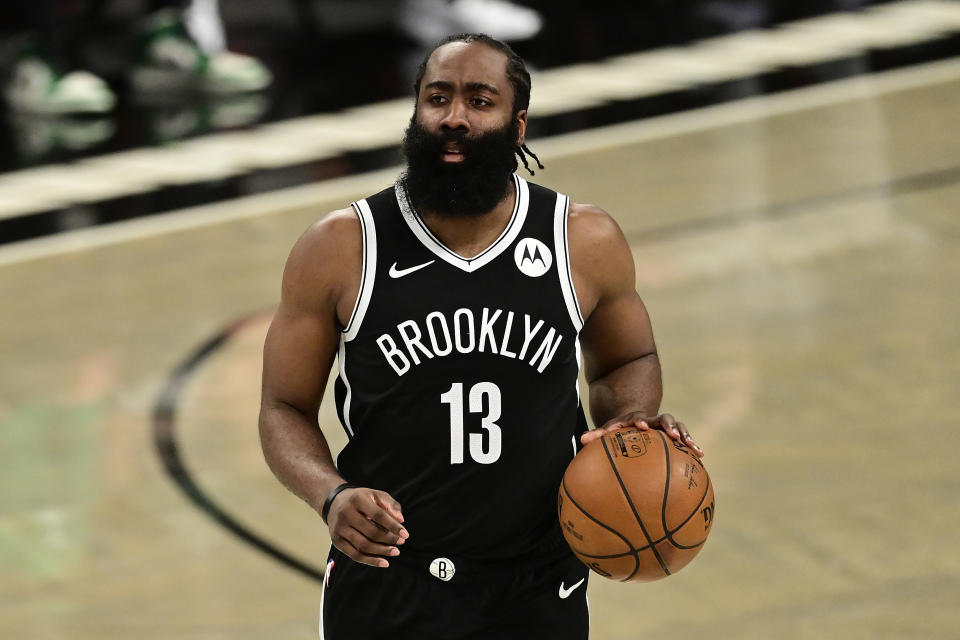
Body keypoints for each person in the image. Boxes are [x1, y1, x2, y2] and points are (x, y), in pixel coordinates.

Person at [258, 33, 704, 639]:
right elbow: (283, 407)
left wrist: (628, 418)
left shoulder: (582, 239)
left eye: (480, 100)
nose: (455, 118)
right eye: (437, 98)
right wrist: (330, 495)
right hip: (391, 578)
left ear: (517, 126)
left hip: (540, 581)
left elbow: (628, 359)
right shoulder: (341, 246)